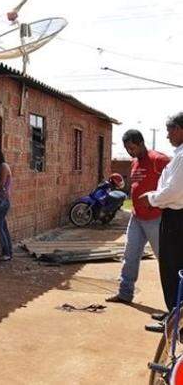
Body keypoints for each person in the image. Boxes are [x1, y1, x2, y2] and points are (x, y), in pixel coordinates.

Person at [106, 130, 169, 306]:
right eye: (127, 149)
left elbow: (175, 185)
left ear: (141, 143)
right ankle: (125, 294)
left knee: (166, 260)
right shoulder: (134, 162)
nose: (130, 152)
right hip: (136, 217)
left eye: (132, 148)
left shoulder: (159, 160)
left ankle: (174, 305)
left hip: (156, 218)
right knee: (130, 255)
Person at [139, 112, 183, 332]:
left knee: (172, 267)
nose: (167, 135)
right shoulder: (179, 155)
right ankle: (174, 315)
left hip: (177, 218)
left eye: (170, 130)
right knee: (174, 267)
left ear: (180, 129)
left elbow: (174, 191)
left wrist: (152, 198)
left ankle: (176, 323)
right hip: (174, 216)